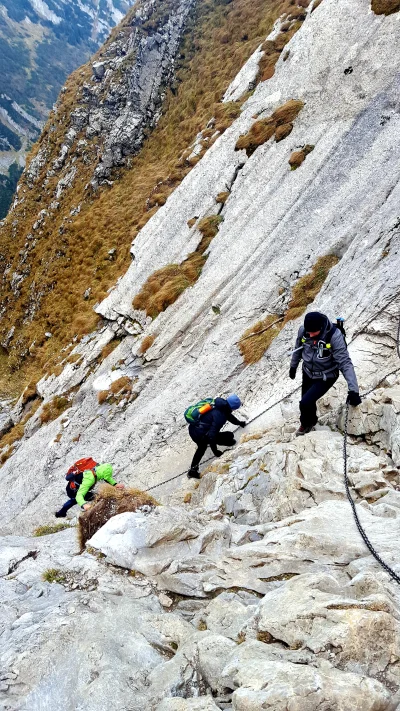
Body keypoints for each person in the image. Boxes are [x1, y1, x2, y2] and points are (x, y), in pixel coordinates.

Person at [289, 311, 361, 436]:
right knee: (306, 402)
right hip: (307, 372)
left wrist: (353, 390)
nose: (310, 335)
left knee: (305, 402)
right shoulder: (303, 331)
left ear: (321, 328)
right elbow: (297, 349)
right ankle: (308, 423)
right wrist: (293, 367)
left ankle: (307, 424)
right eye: (308, 331)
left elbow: (345, 363)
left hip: (326, 376)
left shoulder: (334, 336)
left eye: (313, 332)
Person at [187, 394, 246, 478]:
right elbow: (211, 436)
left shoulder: (219, 405)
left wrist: (239, 423)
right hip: (200, 434)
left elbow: (229, 417)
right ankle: (193, 471)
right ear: (233, 407)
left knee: (202, 447)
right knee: (229, 437)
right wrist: (215, 451)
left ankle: (193, 469)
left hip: (193, 429)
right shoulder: (221, 416)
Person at [55, 463, 124, 517]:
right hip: (72, 491)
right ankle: (62, 513)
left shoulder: (96, 469)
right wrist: (84, 505)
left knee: (74, 500)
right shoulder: (89, 479)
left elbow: (107, 478)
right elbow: (79, 495)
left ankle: (61, 513)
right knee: (90, 497)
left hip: (73, 487)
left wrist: (115, 484)